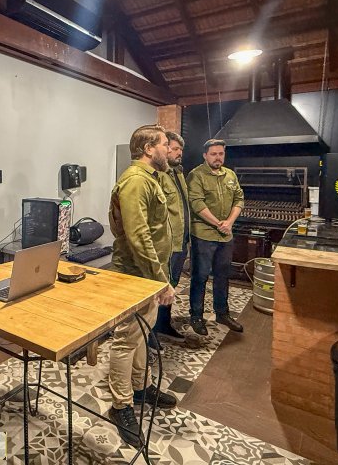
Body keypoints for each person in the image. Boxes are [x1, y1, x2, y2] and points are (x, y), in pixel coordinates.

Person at [107, 124, 177, 447]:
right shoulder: (136, 180)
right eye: (164, 144)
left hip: (145, 274)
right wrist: (161, 280)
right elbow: (138, 236)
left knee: (140, 335)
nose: (168, 150)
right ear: (149, 149)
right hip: (135, 276)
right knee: (126, 340)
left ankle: (140, 387)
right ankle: (121, 405)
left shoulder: (150, 178)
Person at [186, 139, 245, 336]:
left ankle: (222, 313)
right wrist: (219, 223)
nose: (218, 157)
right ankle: (196, 316)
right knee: (200, 276)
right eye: (213, 154)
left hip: (225, 235)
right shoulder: (196, 175)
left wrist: (229, 222)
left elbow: (239, 199)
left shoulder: (230, 175)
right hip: (203, 235)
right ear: (205, 155)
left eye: (221, 154)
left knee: (223, 275)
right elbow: (197, 203)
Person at [149, 131, 189, 346]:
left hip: (181, 242)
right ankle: (150, 333)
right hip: (167, 244)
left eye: (180, 150)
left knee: (171, 286)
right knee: (159, 288)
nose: (178, 153)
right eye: (173, 148)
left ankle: (163, 324)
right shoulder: (158, 176)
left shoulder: (178, 174)